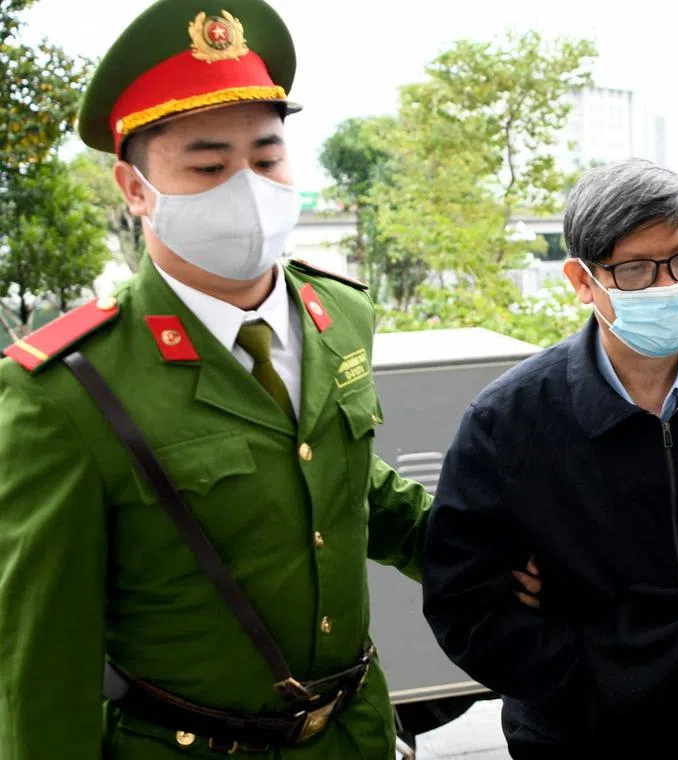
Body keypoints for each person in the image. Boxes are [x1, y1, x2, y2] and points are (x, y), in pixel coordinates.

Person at [0, 1, 435, 756]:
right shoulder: (65, 390)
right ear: (134, 189)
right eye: (208, 166)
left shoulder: (339, 314)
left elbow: (346, 485)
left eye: (267, 160)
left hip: (356, 734)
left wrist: (497, 551)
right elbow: (42, 666)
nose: (249, 188)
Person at [421, 158, 678, 758]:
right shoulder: (508, 419)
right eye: (635, 269)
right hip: (579, 736)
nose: (668, 286)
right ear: (582, 281)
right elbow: (466, 605)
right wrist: (596, 681)